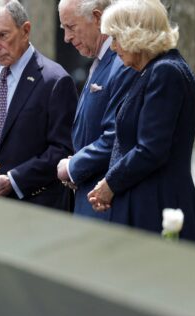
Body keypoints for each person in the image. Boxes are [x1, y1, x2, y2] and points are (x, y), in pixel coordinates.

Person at [87, 0, 195, 246]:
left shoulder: (166, 72)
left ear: (136, 34)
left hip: (156, 206)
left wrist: (110, 184)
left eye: (116, 38)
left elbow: (151, 148)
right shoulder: (153, 70)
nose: (113, 47)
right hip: (147, 202)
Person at [0, 0, 77, 211]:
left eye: (2, 35)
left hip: (39, 209)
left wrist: (13, 180)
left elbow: (62, 149)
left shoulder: (55, 80)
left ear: (25, 30)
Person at [56, 0, 136, 219]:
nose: (67, 38)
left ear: (98, 18)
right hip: (90, 197)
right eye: (64, 29)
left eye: (71, 27)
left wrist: (72, 167)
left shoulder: (121, 61)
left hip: (105, 201)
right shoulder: (101, 60)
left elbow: (117, 136)